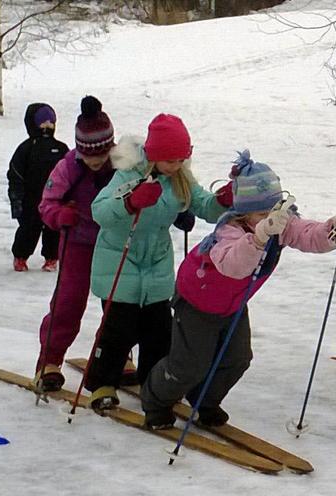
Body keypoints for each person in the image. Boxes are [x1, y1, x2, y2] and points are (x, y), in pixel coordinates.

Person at [140, 151, 336, 429]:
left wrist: (333, 231)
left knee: (237, 359)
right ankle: (155, 399)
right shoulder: (229, 231)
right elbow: (234, 265)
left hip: (233, 304)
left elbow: (306, 234)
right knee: (189, 364)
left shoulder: (280, 224)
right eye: (261, 214)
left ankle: (203, 399)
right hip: (198, 301)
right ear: (243, 212)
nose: (270, 218)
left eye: (274, 211)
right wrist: (259, 237)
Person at [84, 113, 231, 410]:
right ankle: (101, 383)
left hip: (157, 263)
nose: (177, 166)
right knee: (118, 330)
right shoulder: (128, 174)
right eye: (172, 160)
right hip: (119, 260)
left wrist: (224, 202)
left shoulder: (180, 178)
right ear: (156, 154)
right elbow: (99, 211)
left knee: (159, 332)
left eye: (182, 159)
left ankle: (154, 386)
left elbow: (205, 206)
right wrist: (130, 202)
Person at [33, 96, 118, 391]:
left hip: (115, 244)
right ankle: (49, 361)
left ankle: (118, 357)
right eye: (87, 154)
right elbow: (46, 204)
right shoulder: (68, 166)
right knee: (68, 302)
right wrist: (61, 215)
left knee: (118, 304)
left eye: (101, 154)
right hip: (78, 243)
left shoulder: (123, 165)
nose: (94, 160)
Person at [8, 103, 69, 272]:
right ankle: (21, 256)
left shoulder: (61, 148)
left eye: (51, 122)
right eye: (43, 122)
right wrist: (16, 198)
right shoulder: (26, 149)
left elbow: (72, 171)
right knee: (28, 228)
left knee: (54, 229)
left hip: (56, 199)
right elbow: (15, 174)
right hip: (31, 199)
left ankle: (51, 257)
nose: (47, 126)